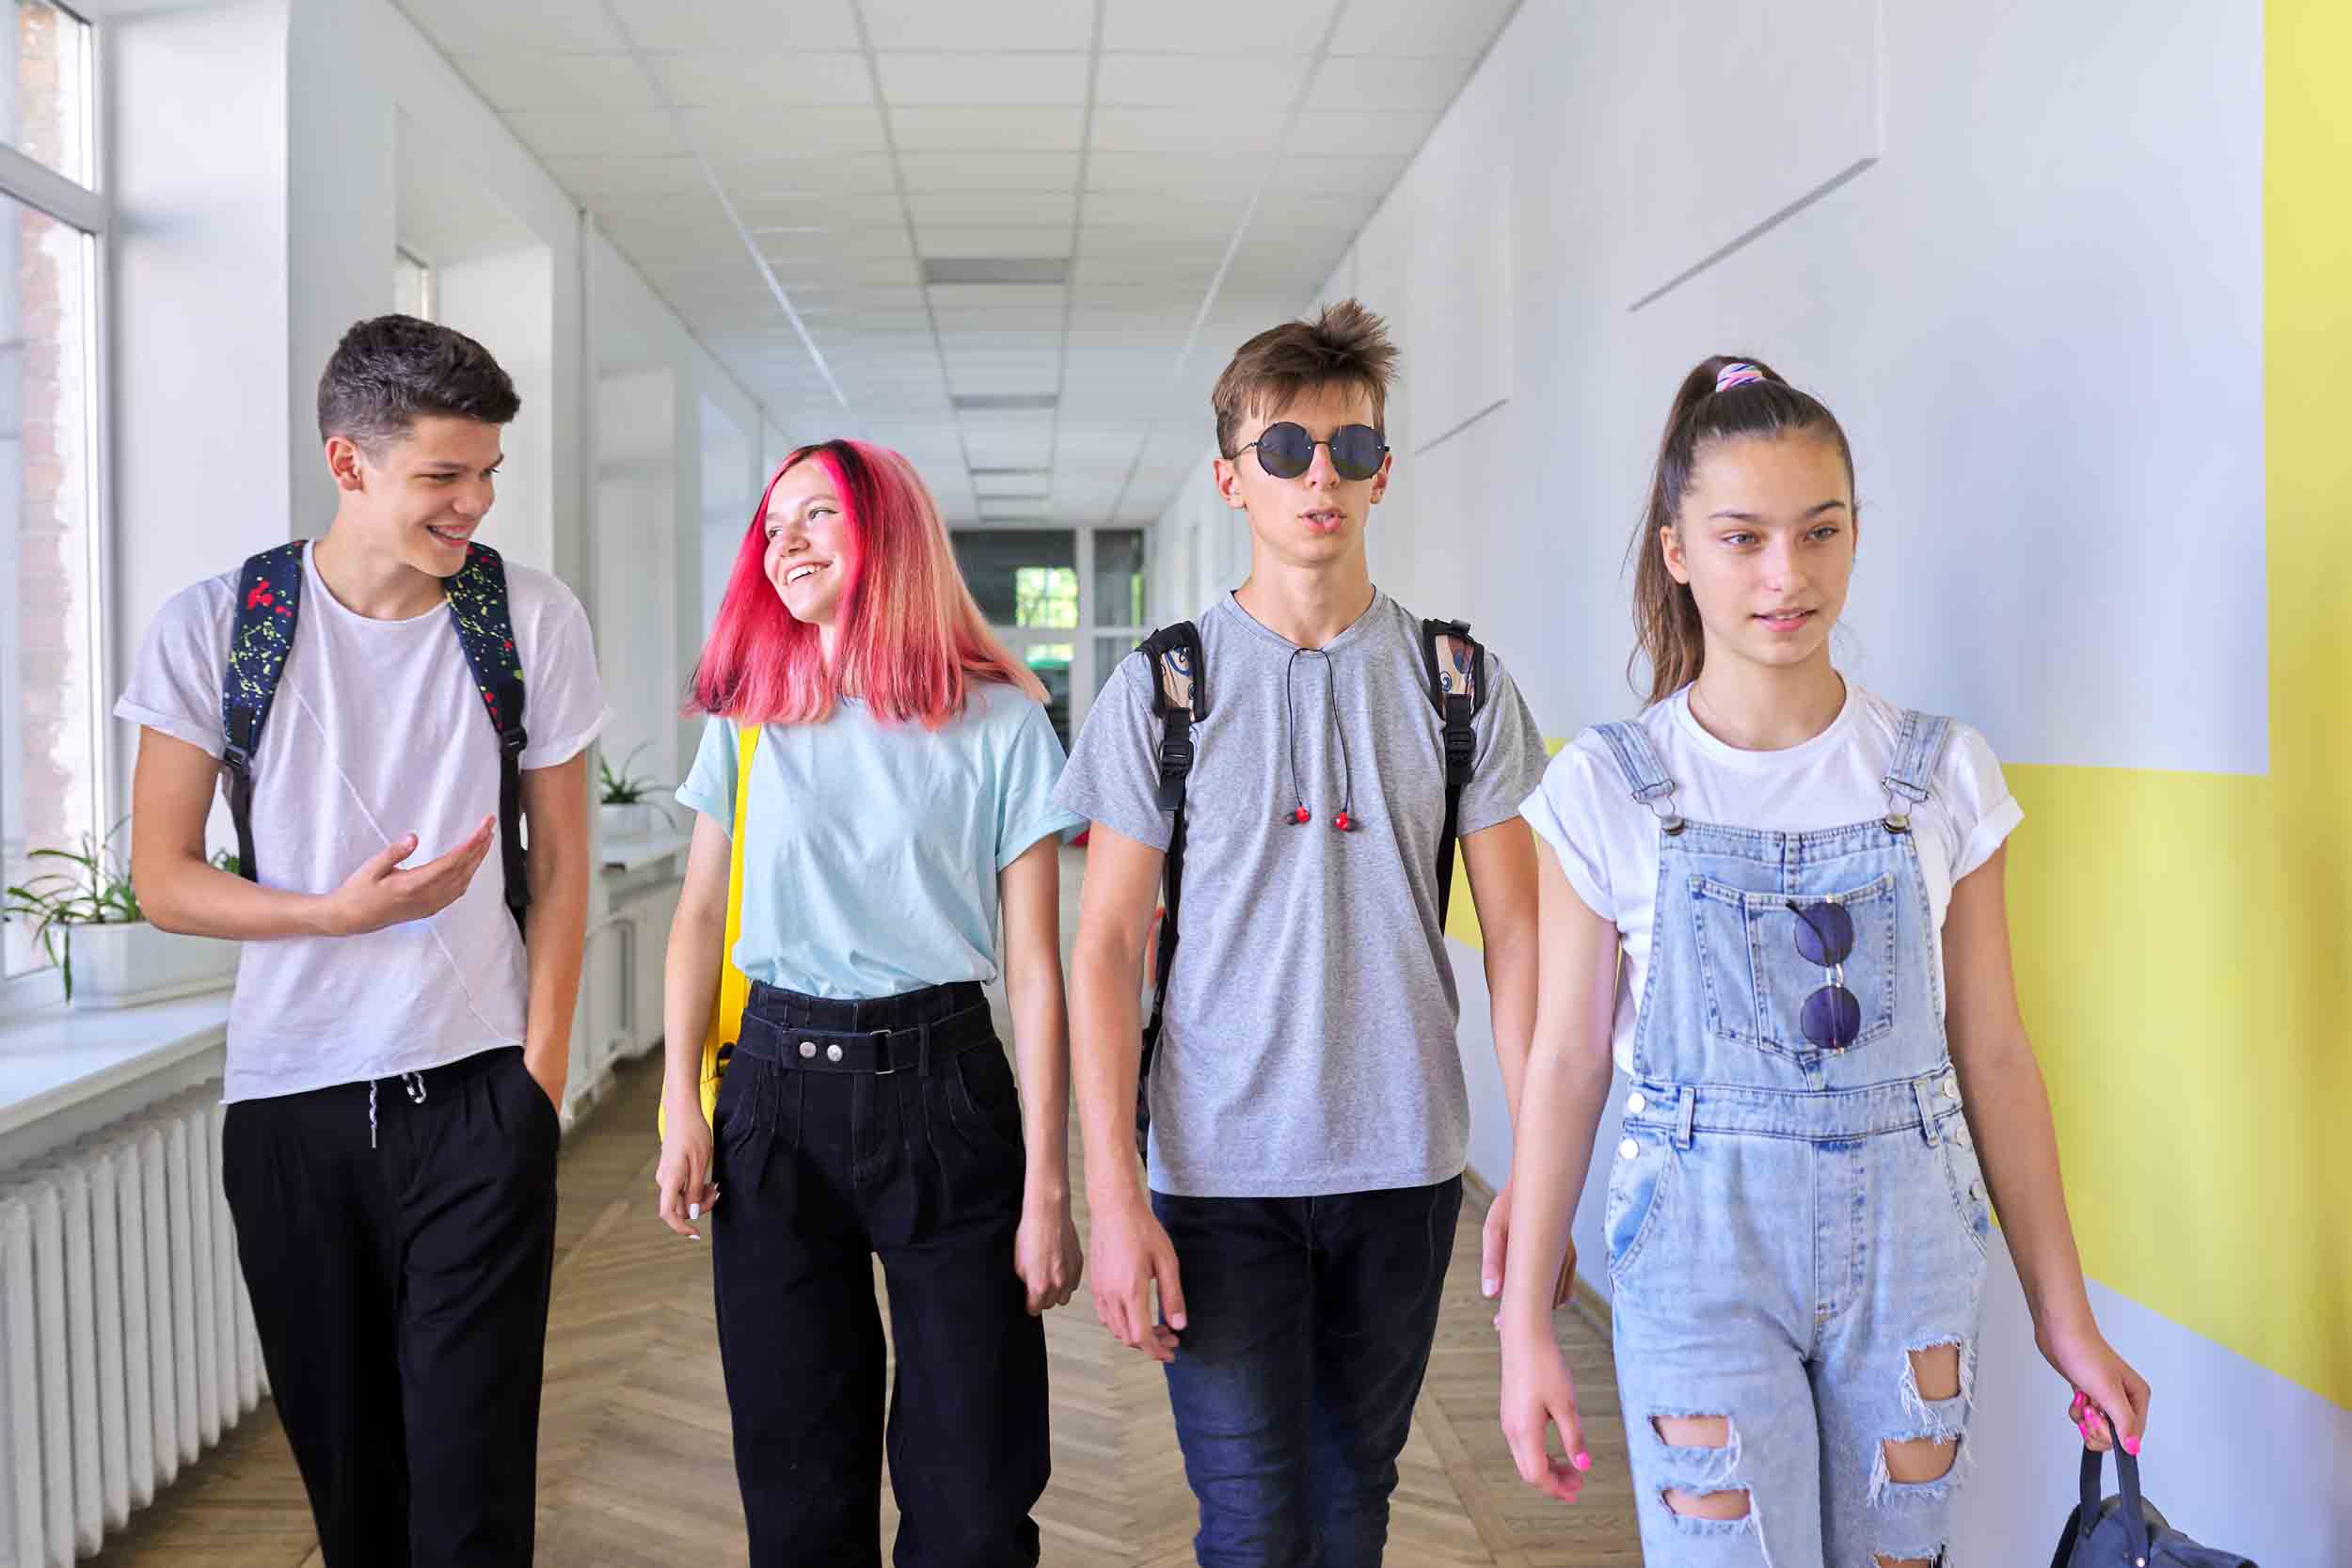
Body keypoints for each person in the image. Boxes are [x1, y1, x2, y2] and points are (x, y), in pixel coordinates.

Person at [1498, 356, 2152, 1566]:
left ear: (1856, 534)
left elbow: (1995, 1053)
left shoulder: (1942, 771)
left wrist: (2069, 1321)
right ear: (1678, 549)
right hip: (1691, 1263)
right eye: (1741, 537)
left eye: (1819, 531)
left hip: (1913, 1259)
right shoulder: (1604, 786)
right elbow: (1567, 1061)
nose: (1785, 575)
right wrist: (1524, 1319)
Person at [1057, 300, 1551, 1565]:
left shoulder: (1462, 685)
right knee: (1252, 1519)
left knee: (1352, 1505)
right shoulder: (1165, 686)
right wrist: (1113, 1193)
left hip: (1404, 1169)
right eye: (1285, 451)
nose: (1319, 477)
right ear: (1233, 478)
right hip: (1219, 1180)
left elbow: (1520, 941)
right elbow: (1104, 949)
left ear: (1386, 469)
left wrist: (1538, 1177)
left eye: (1351, 449)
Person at [118, 314, 606, 1565]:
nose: (475, 503)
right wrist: (329, 913)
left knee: (471, 1483)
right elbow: (163, 879)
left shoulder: (528, 619)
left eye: (489, 471)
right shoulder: (220, 626)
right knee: (353, 1482)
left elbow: (561, 867)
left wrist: (534, 1080)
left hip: (477, 1096)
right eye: (444, 476)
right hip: (291, 1106)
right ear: (350, 463)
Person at [653, 438, 1085, 1567]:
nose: (783, 540)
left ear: (884, 527)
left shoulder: (1001, 722)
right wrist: (677, 1104)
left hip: (945, 1091)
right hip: (771, 1095)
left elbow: (1034, 968)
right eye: (772, 524)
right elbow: (700, 915)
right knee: (797, 1488)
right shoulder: (747, 715)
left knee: (975, 1491)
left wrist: (1049, 1184)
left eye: (816, 514)